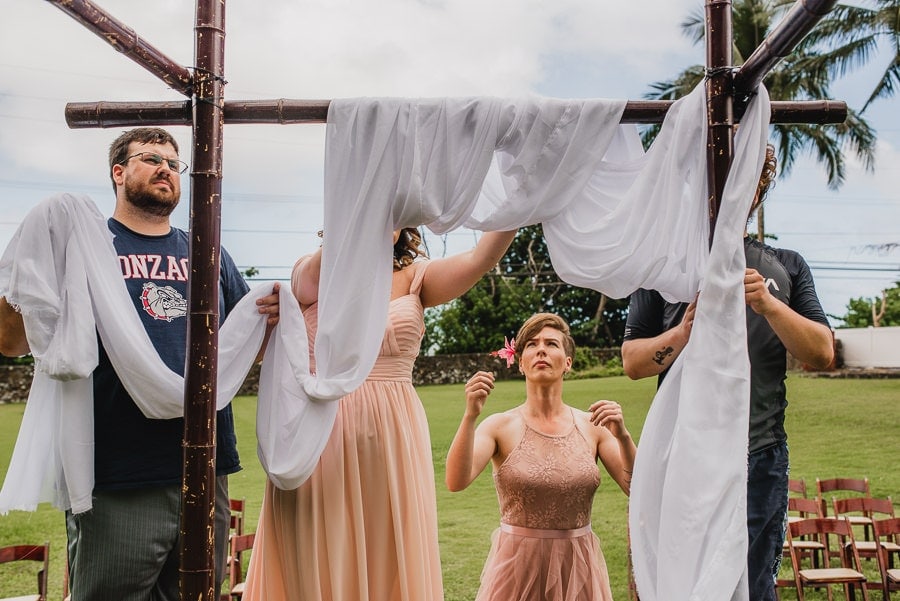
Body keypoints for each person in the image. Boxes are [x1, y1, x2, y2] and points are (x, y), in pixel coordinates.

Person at [0, 127, 280, 601]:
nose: (165, 169)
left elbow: (246, 346)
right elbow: (10, 343)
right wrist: (27, 269)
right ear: (118, 172)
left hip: (204, 463)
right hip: (118, 469)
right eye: (151, 158)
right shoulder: (82, 247)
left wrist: (273, 319)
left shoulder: (208, 251)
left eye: (174, 163)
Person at [242, 225, 517, 601]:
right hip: (318, 441)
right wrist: (356, 223)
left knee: (387, 552)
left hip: (392, 438)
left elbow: (479, 258)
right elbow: (308, 283)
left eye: (392, 213)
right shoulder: (313, 271)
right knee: (314, 547)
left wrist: (520, 204)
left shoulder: (418, 278)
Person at [620, 144, 834, 601]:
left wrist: (769, 305)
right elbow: (633, 362)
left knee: (753, 585)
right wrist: (682, 332)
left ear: (757, 189)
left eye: (743, 176)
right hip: (683, 453)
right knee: (683, 582)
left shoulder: (787, 265)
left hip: (760, 452)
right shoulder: (665, 267)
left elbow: (822, 353)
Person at [445, 312, 637, 601]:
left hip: (578, 569)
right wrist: (470, 416)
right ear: (520, 362)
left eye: (551, 343)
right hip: (516, 571)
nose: (541, 350)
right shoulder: (499, 426)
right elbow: (456, 481)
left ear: (568, 362)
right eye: (532, 344)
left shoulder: (594, 426)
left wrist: (623, 436)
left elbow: (636, 488)